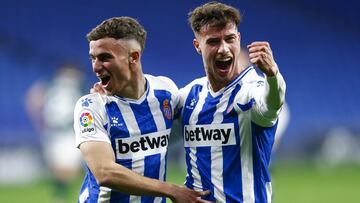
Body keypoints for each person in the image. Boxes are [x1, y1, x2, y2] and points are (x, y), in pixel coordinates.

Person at [73, 16, 211, 203]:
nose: (96, 67)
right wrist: (171, 190)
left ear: (133, 57)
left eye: (105, 57)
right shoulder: (90, 106)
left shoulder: (166, 90)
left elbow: (193, 124)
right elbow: (104, 172)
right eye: (93, 58)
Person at [174, 1, 286, 202]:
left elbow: (271, 105)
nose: (224, 49)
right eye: (213, 41)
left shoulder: (251, 90)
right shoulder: (189, 95)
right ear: (197, 45)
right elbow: (155, 135)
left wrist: (272, 74)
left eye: (230, 39)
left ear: (239, 39)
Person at [26, 65, 84, 203]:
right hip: (66, 131)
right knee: (64, 167)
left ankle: (60, 195)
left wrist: (39, 122)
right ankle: (61, 195)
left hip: (57, 131)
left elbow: (33, 98)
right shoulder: (77, 87)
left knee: (66, 167)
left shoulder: (50, 84)